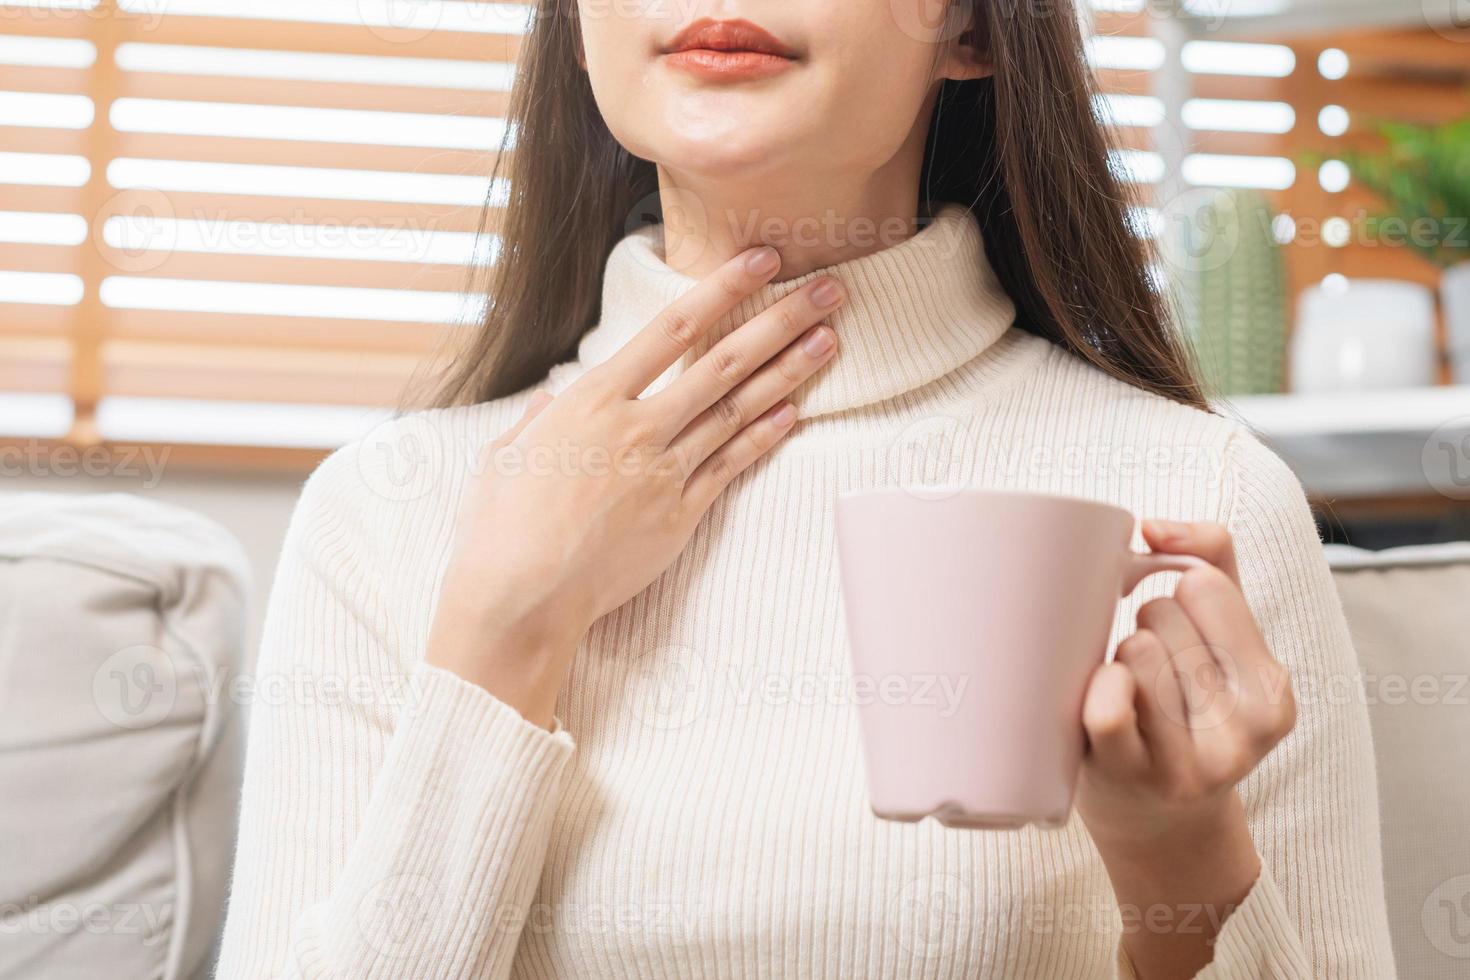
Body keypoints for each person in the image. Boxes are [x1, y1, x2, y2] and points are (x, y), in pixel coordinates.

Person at [217, 1, 1395, 977]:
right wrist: (503, 630)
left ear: (973, 31)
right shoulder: (387, 511)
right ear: (578, 29)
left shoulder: (1198, 493)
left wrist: (1181, 866)